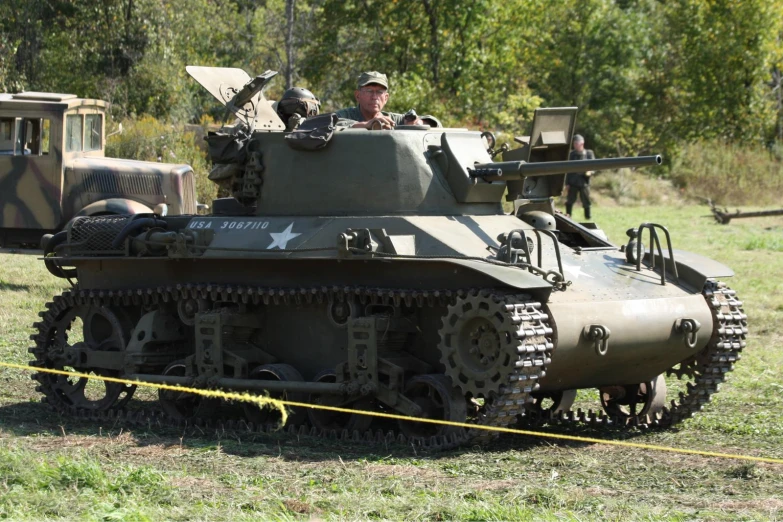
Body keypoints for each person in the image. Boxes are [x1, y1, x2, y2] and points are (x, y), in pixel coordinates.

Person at [335, 71, 421, 130]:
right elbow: (328, 124)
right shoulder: (346, 115)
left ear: (386, 98)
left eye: (380, 92)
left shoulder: (392, 119)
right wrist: (367, 125)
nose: (374, 97)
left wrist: (416, 122)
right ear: (358, 95)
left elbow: (430, 120)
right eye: (369, 91)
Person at [564, 134, 595, 220]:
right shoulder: (571, 154)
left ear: (582, 144)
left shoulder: (589, 153)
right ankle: (568, 216)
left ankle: (588, 216)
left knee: (586, 201)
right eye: (574, 143)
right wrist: (566, 183)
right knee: (570, 201)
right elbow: (566, 169)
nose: (575, 145)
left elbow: (593, 166)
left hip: (584, 181)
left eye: (577, 143)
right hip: (573, 181)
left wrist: (589, 172)